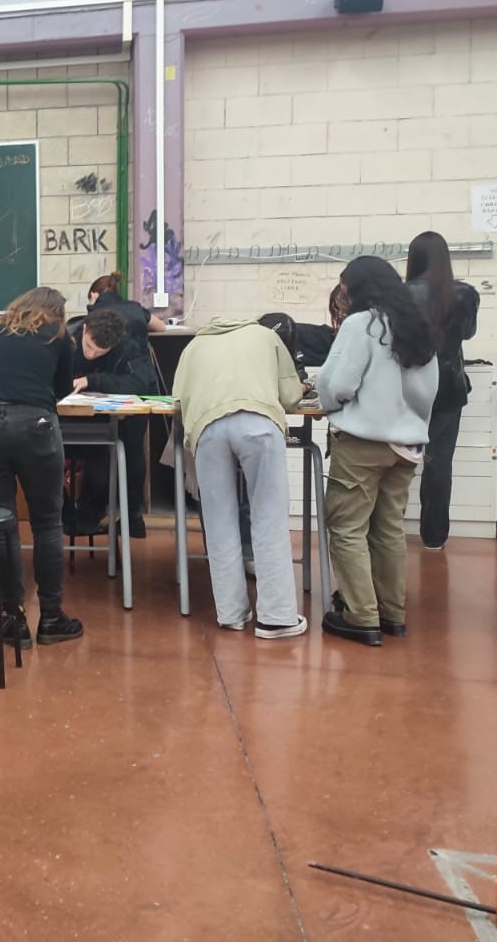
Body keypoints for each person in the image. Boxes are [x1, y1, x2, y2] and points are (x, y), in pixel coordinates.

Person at [318, 256, 437, 646]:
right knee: (388, 530)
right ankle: (392, 614)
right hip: (406, 445)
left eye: (345, 288)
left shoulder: (361, 324)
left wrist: (332, 406)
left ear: (359, 288)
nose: (343, 295)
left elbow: (339, 384)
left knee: (347, 528)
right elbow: (428, 391)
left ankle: (361, 617)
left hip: (362, 444)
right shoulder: (416, 325)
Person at [171, 316, 308, 639]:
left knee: (218, 521)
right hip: (258, 423)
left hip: (208, 429)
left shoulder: (194, 346)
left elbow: (178, 401)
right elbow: (291, 396)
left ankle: (231, 613)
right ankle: (276, 617)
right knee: (268, 516)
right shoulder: (265, 336)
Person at [0, 287, 83, 647]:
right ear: (56, 312)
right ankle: (51, 618)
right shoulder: (58, 334)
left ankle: (12, 620)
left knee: (2, 524)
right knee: (47, 522)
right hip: (34, 425)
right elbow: (61, 390)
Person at [406, 231, 479, 550]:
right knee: (439, 464)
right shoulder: (465, 294)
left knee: (396, 462)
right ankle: (434, 537)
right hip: (448, 389)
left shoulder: (400, 294)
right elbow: (468, 333)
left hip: (406, 389)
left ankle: (386, 533)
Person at [81, 273, 162, 536]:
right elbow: (161, 328)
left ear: (93, 296)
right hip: (138, 389)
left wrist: (91, 380)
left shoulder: (93, 317)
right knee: (133, 451)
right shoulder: (135, 308)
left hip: (109, 390)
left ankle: (91, 513)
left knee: (99, 449)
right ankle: (133, 518)